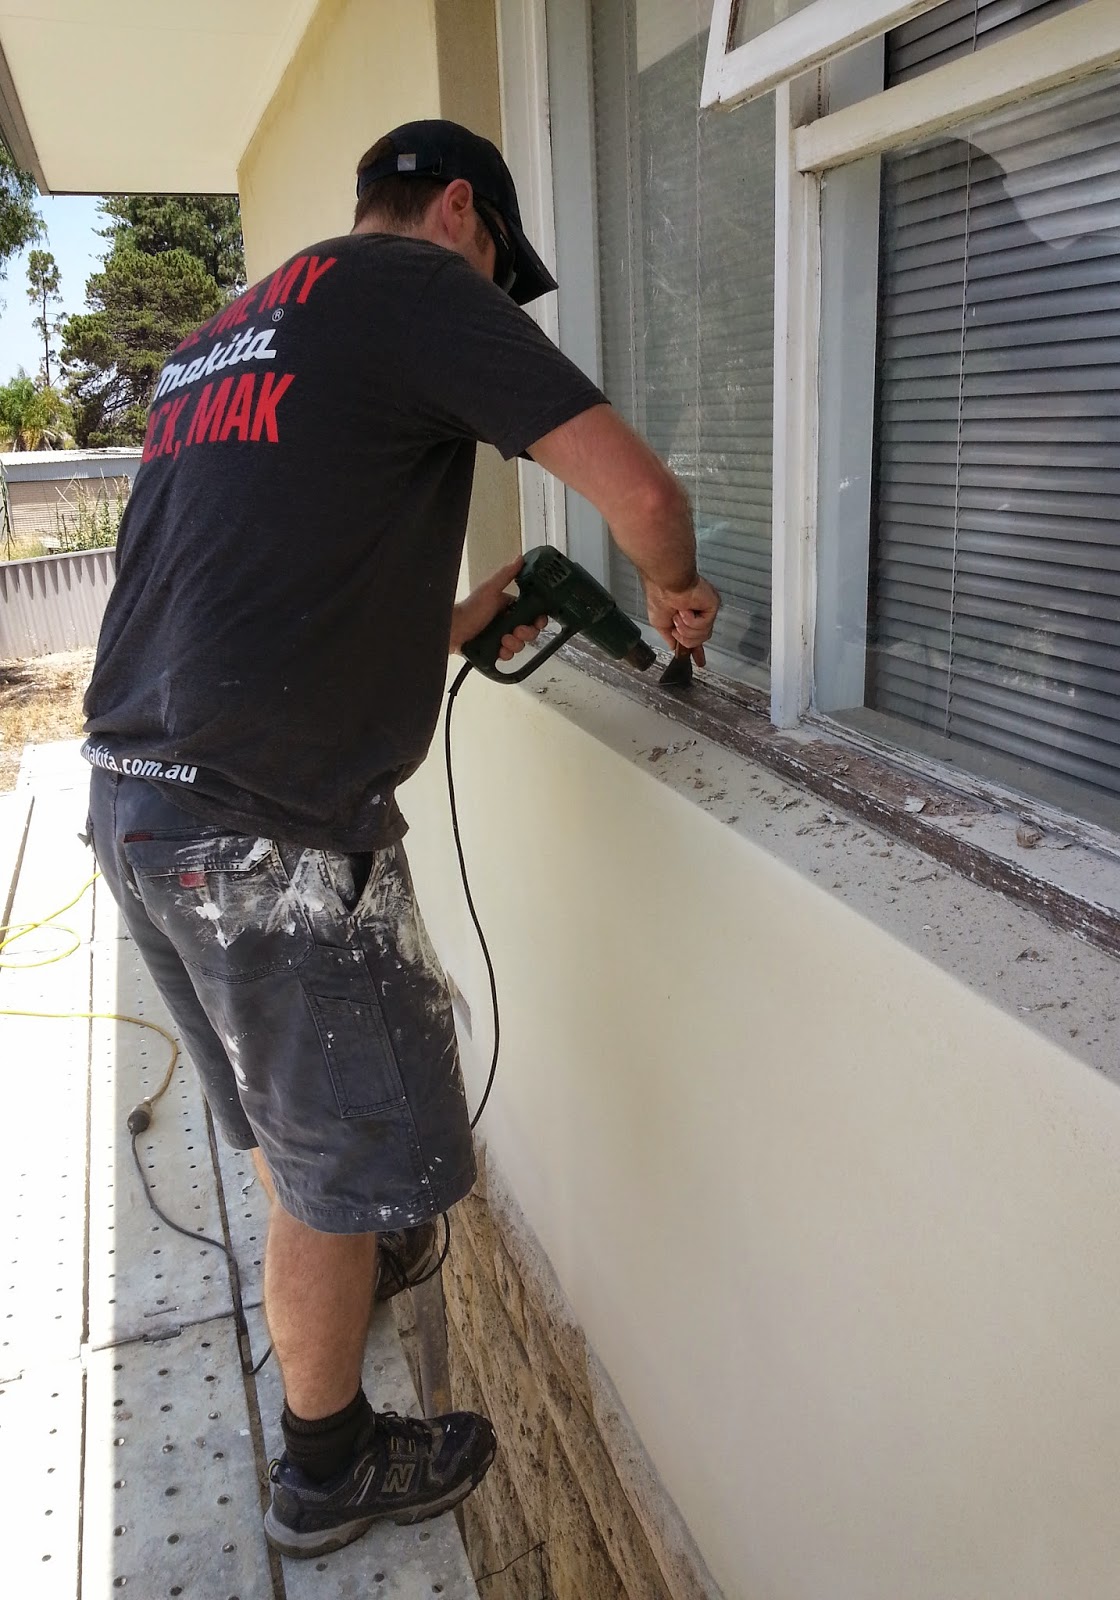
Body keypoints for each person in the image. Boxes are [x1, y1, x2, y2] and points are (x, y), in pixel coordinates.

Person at [82, 118, 719, 1560]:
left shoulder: (228, 333)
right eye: (499, 266)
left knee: (283, 1126)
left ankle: (333, 1302)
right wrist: (675, 592)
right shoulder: (417, 289)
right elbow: (646, 501)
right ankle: (326, 1463)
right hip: (265, 833)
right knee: (345, 1157)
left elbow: (240, 592)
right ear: (455, 213)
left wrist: (453, 624)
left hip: (136, 800)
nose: (495, 302)